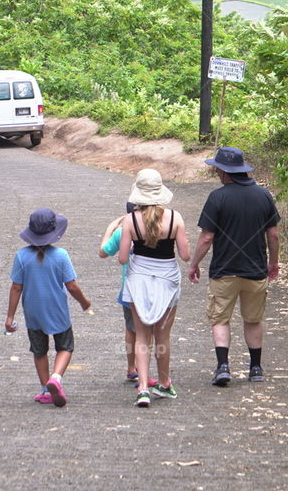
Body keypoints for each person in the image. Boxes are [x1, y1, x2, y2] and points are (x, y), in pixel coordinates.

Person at [187, 147, 280, 387]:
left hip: (224, 271)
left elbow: (207, 238)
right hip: (255, 270)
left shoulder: (217, 197)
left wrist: (194, 264)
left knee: (220, 319)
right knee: (253, 319)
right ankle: (256, 368)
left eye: (217, 168)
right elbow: (274, 235)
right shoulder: (264, 195)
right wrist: (273, 262)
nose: (216, 171)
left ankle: (223, 367)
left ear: (225, 171)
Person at [118, 169, 191, 407]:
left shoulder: (130, 220)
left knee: (142, 336)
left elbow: (121, 258)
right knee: (163, 336)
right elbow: (185, 255)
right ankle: (164, 383)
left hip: (138, 278)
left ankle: (142, 388)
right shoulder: (175, 218)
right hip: (167, 278)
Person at [5, 207, 91, 407]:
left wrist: (10, 317)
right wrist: (84, 302)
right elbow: (72, 285)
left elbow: (16, 288)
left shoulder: (21, 256)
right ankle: (56, 378)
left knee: (39, 350)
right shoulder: (61, 255)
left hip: (33, 313)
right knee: (65, 346)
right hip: (57, 311)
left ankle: (45, 389)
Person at [98, 203, 157, 388]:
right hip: (152, 287)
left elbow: (103, 252)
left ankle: (132, 367)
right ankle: (142, 371)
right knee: (148, 331)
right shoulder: (156, 229)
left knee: (132, 329)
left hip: (129, 288)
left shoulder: (122, 231)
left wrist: (110, 229)